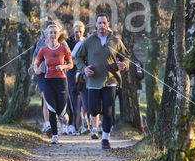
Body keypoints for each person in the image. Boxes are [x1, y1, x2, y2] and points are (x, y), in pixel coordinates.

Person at [73, 13, 129, 150]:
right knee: (93, 110)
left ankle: (105, 138)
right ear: (96, 25)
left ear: (108, 25)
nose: (102, 25)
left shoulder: (115, 41)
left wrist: (124, 64)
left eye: (104, 23)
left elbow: (126, 57)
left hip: (111, 80)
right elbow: (78, 58)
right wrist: (84, 69)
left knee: (108, 110)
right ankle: (95, 126)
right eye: (99, 23)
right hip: (93, 82)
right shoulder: (89, 41)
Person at [32, 23, 74, 144]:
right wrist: (36, 69)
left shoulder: (63, 48)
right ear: (47, 35)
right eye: (50, 32)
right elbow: (36, 63)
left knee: (60, 110)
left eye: (55, 32)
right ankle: (54, 136)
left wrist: (63, 66)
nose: (53, 35)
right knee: (51, 108)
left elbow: (71, 64)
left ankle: (63, 115)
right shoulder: (43, 50)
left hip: (61, 81)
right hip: (48, 81)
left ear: (58, 34)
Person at [67, 21, 88, 135]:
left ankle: (84, 124)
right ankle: (74, 126)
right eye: (76, 32)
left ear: (83, 31)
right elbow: (68, 59)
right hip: (71, 73)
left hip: (83, 72)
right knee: (73, 100)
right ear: (73, 32)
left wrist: (79, 63)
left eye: (80, 32)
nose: (78, 34)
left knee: (84, 101)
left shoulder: (86, 42)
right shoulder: (69, 42)